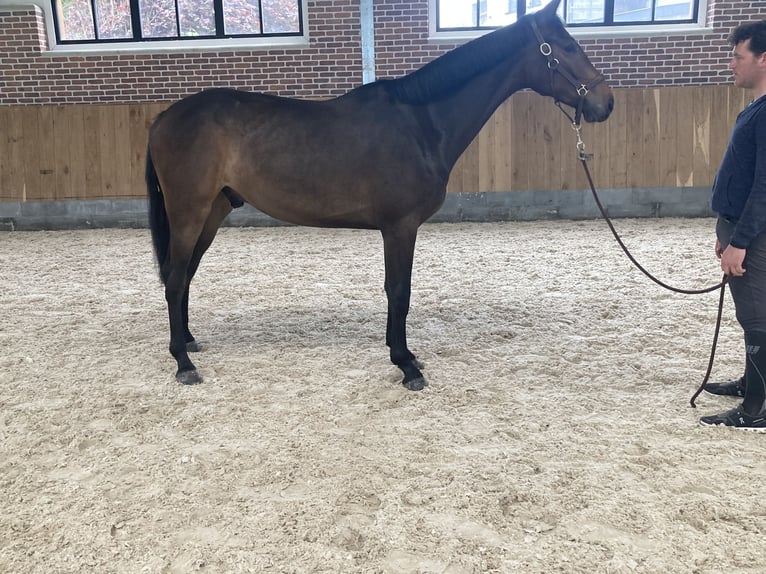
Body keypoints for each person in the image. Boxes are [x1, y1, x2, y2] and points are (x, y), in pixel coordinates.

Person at [699, 20, 766, 431]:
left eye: (738, 57)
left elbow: (764, 186)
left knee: (756, 316)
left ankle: (756, 407)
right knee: (753, 313)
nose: (730, 64)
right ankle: (752, 383)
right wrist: (725, 232)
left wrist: (739, 241)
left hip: (752, 236)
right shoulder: (756, 108)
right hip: (738, 229)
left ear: (764, 58)